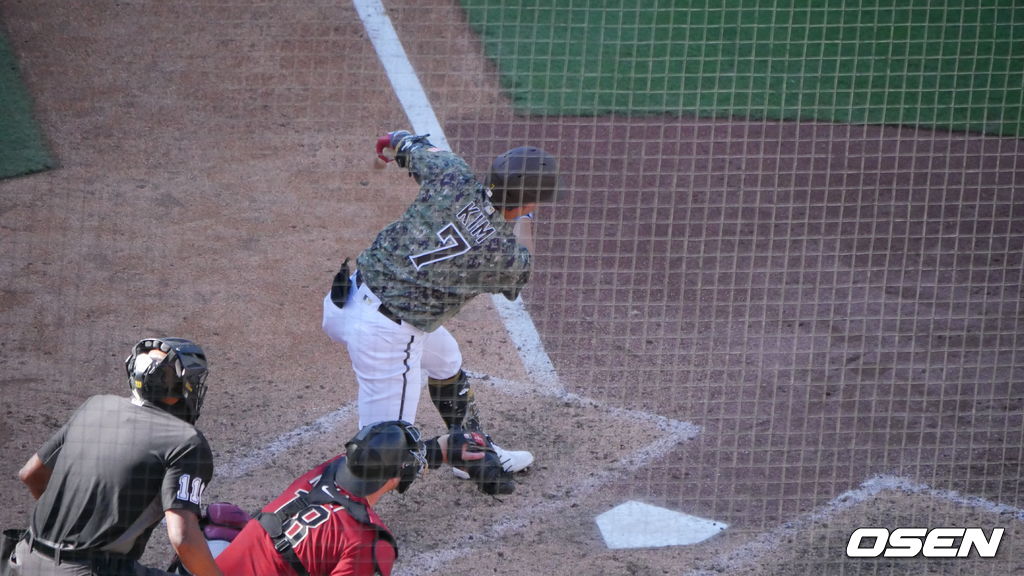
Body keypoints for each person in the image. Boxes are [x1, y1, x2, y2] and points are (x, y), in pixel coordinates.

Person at [322, 131, 564, 495]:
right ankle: (326, 516)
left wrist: (389, 148)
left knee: (445, 358)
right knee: (381, 452)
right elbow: (524, 267)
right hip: (384, 338)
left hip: (345, 301)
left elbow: (402, 141)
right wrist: (526, 215)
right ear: (532, 200)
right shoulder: (503, 255)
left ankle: (474, 452)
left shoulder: (452, 174)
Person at [9, 338, 222, 576]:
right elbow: (182, 538)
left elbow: (30, 474)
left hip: (22, 560)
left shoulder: (95, 406)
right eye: (191, 380)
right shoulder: (186, 441)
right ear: (176, 389)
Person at [213, 420, 490, 576]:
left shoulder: (329, 469)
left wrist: (442, 449)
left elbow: (379, 462)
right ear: (397, 475)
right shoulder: (367, 541)